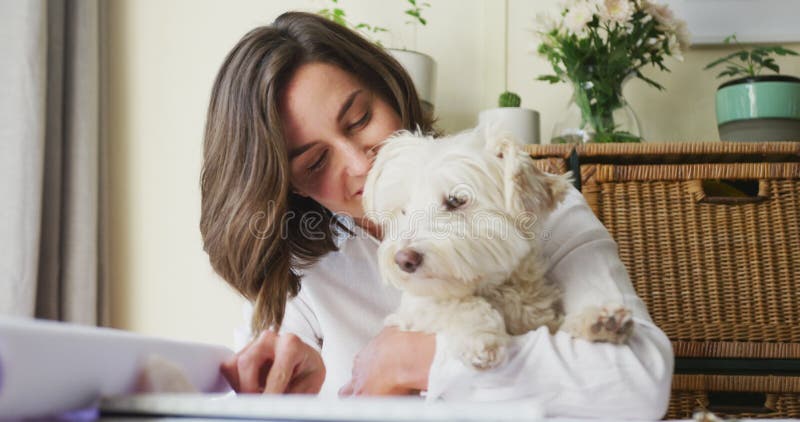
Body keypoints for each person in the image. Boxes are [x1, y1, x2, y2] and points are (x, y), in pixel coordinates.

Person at [200, 11, 673, 419]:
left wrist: (423, 360)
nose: (362, 164)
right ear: (290, 185)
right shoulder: (301, 273)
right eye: (316, 162)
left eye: (360, 119)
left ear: (388, 87)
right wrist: (288, 398)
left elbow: (639, 380)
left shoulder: (527, 204)